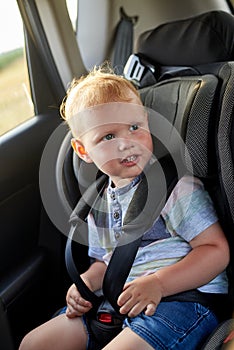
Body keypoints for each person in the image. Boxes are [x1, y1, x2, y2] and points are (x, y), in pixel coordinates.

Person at [19, 66, 230, 350]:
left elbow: (216, 251)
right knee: (34, 343)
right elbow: (105, 262)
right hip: (118, 301)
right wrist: (85, 284)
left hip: (181, 300)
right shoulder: (97, 205)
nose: (126, 143)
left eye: (134, 128)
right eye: (107, 137)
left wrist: (159, 284)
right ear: (83, 150)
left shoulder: (175, 189)